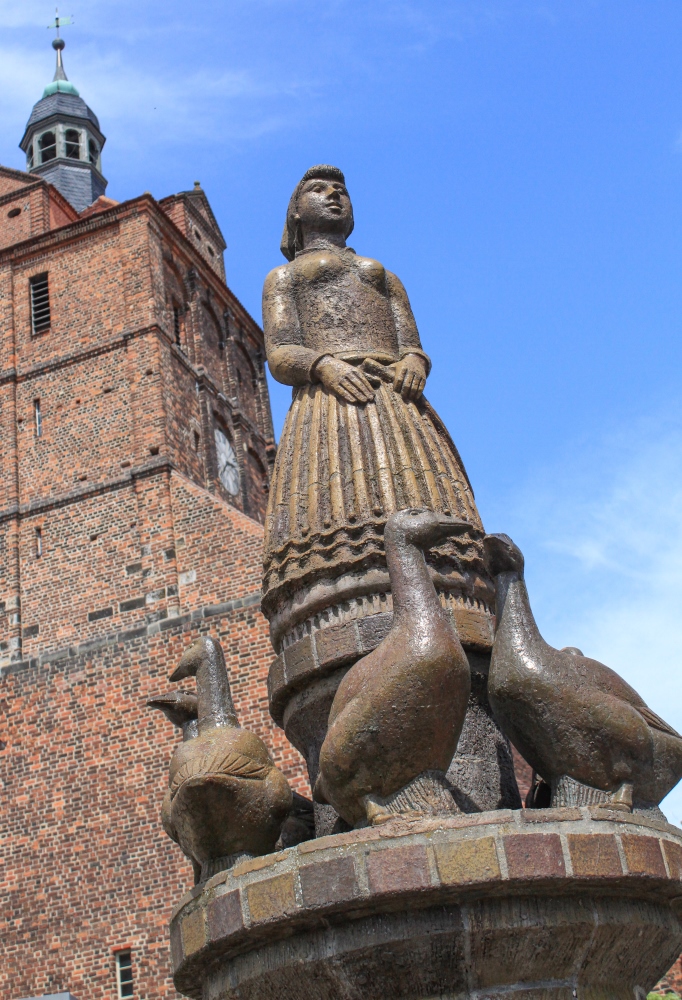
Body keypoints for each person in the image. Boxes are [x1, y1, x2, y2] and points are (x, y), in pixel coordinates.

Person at [261, 165, 493, 654]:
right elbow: (281, 353)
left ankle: (455, 587)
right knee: (344, 511)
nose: (334, 196)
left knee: (424, 500)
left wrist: (414, 361)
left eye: (340, 190)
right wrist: (322, 365)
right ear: (295, 212)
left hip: (397, 402)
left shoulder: (382, 274)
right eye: (318, 190)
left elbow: (412, 341)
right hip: (335, 401)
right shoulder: (283, 278)